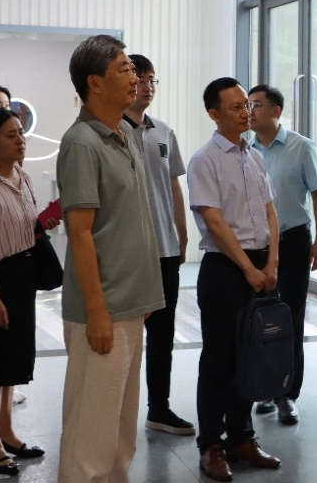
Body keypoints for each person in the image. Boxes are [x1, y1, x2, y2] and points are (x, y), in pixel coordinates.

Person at [56, 35, 164, 483]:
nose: (135, 76)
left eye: (133, 69)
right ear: (95, 83)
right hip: (101, 311)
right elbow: (80, 233)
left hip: (131, 305)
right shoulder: (82, 143)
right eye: (124, 69)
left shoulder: (126, 133)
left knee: (120, 431)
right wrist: (97, 311)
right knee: (91, 436)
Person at [187, 77, 282, 482]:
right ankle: (211, 445)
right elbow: (213, 220)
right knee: (220, 360)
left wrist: (272, 263)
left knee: (252, 355)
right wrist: (248, 269)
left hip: (261, 264)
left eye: (248, 105)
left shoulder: (254, 156)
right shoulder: (204, 160)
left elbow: (270, 212)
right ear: (214, 114)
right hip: (226, 268)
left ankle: (241, 438)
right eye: (236, 107)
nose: (246, 112)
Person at [0, 107, 59, 475]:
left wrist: (43, 221)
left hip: (21, 278)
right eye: (10, 135)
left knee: (12, 363)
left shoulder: (23, 177)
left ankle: (7, 433)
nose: (20, 140)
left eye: (20, 132)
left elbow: (26, 226)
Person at [120, 54, 195, 436]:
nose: (148, 86)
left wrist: (181, 232)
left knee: (162, 335)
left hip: (165, 247)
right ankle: (118, 412)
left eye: (153, 80)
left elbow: (172, 184)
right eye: (141, 79)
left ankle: (159, 408)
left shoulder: (163, 131)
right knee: (127, 336)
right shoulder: (110, 131)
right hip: (130, 252)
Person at [247, 84, 317, 425]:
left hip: (294, 241)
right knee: (259, 318)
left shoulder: (301, 146)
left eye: (256, 105)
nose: (250, 111)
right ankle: (265, 389)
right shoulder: (246, 149)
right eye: (248, 105)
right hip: (258, 245)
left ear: (276, 110)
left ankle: (287, 394)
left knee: (291, 317)